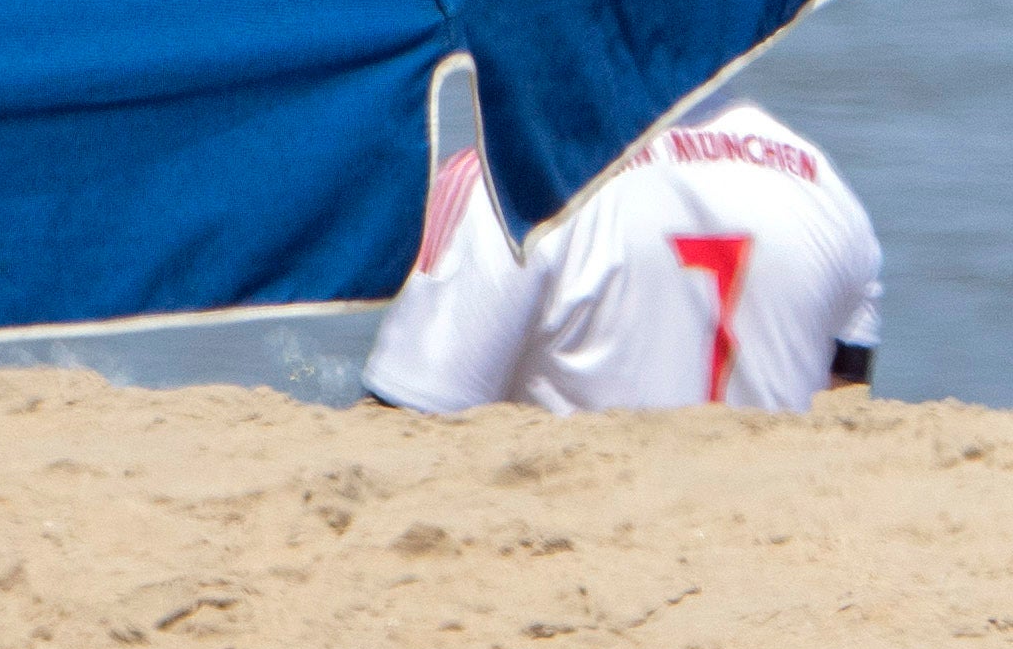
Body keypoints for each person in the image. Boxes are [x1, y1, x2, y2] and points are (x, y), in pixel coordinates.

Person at [366, 95, 883, 412]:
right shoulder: (825, 186)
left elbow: (412, 424)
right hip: (761, 563)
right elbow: (842, 423)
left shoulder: (511, 177)